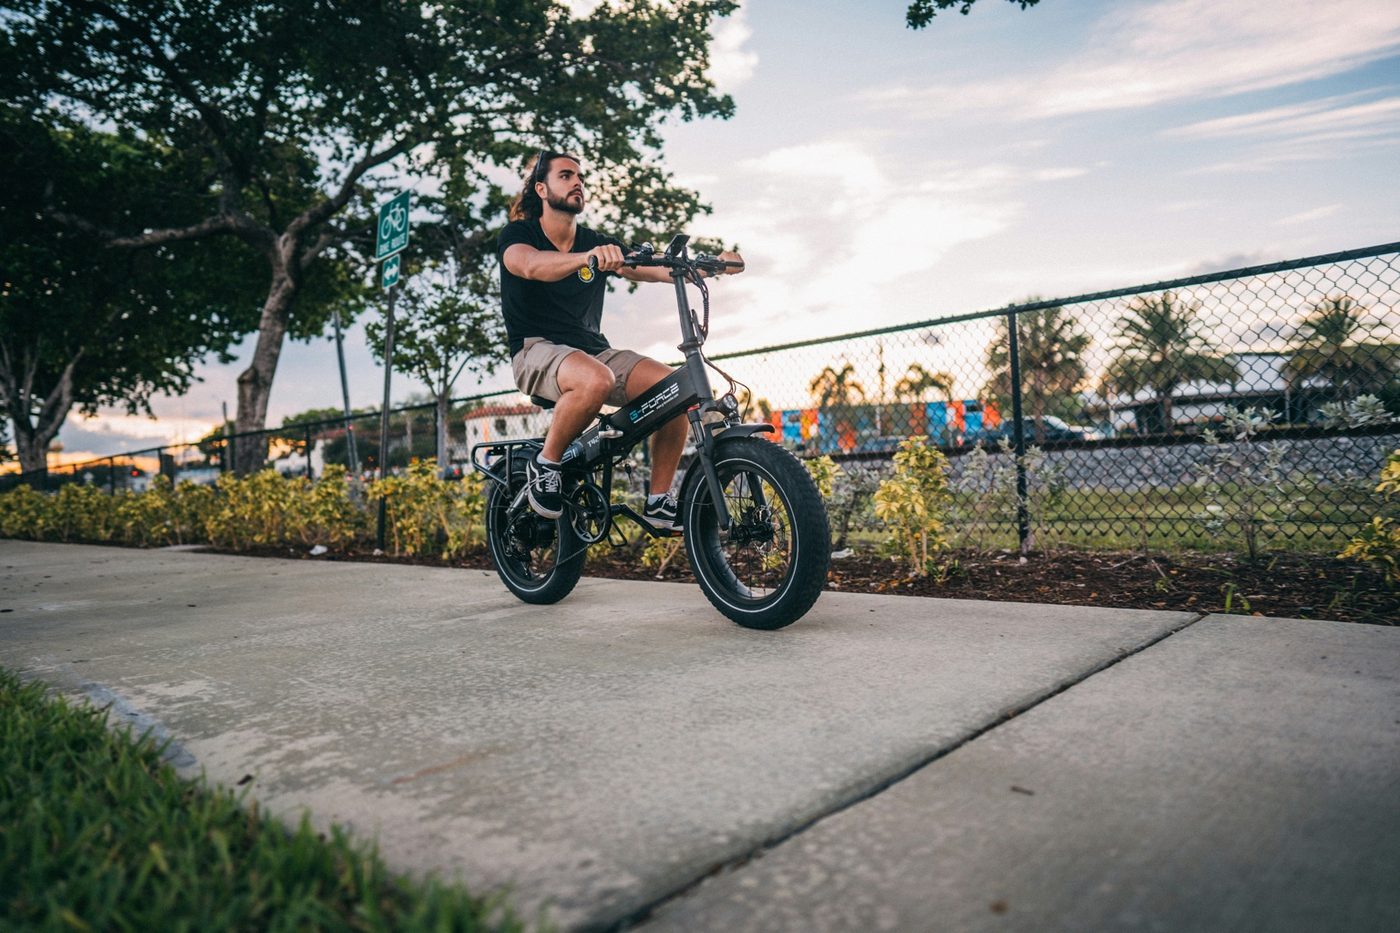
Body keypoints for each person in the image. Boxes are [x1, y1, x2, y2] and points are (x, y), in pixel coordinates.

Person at [497, 150, 744, 530]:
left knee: (676, 390)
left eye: (580, 177)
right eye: (566, 176)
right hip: (536, 349)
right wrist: (587, 259)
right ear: (541, 189)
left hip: (594, 351)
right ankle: (545, 465)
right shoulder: (520, 235)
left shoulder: (596, 241)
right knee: (595, 379)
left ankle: (660, 500)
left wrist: (708, 265)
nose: (577, 182)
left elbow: (651, 268)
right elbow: (529, 265)